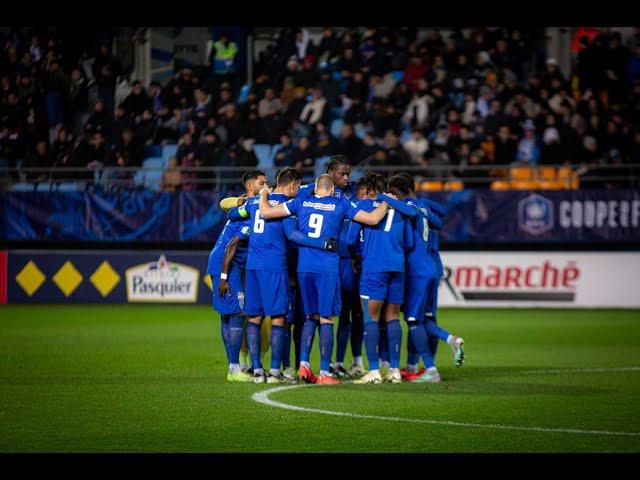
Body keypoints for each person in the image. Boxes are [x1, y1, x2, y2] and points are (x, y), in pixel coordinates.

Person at [257, 173, 390, 384]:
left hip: (304, 268)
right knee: (327, 318)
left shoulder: (300, 201)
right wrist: (386, 202)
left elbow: (264, 213)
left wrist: (263, 195)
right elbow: (373, 219)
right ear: (331, 189)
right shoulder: (340, 204)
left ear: (316, 188)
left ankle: (303, 364)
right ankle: (325, 374)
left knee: (310, 316)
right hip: (327, 267)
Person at [226, 167, 338, 383]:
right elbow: (293, 235)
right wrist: (321, 243)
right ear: (292, 185)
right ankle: (276, 371)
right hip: (274, 266)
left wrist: (242, 203)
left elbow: (231, 214)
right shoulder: (285, 206)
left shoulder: (254, 202)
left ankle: (257, 370)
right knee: (278, 318)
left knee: (255, 317)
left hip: (253, 266)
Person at [346, 172, 411, 384]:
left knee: (371, 318)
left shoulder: (362, 206)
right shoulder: (398, 208)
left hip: (374, 266)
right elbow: (409, 242)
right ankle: (394, 370)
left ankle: (373, 370)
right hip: (397, 266)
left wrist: (358, 256)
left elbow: (350, 239)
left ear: (365, 191)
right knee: (393, 318)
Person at [207, 170, 267, 383]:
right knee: (236, 314)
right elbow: (232, 246)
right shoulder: (250, 213)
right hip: (226, 265)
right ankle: (234, 369)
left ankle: (234, 366)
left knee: (227, 315)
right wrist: (224, 277)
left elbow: (225, 205)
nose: (266, 185)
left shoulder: (244, 208)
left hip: (220, 263)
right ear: (251, 187)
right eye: (262, 182)